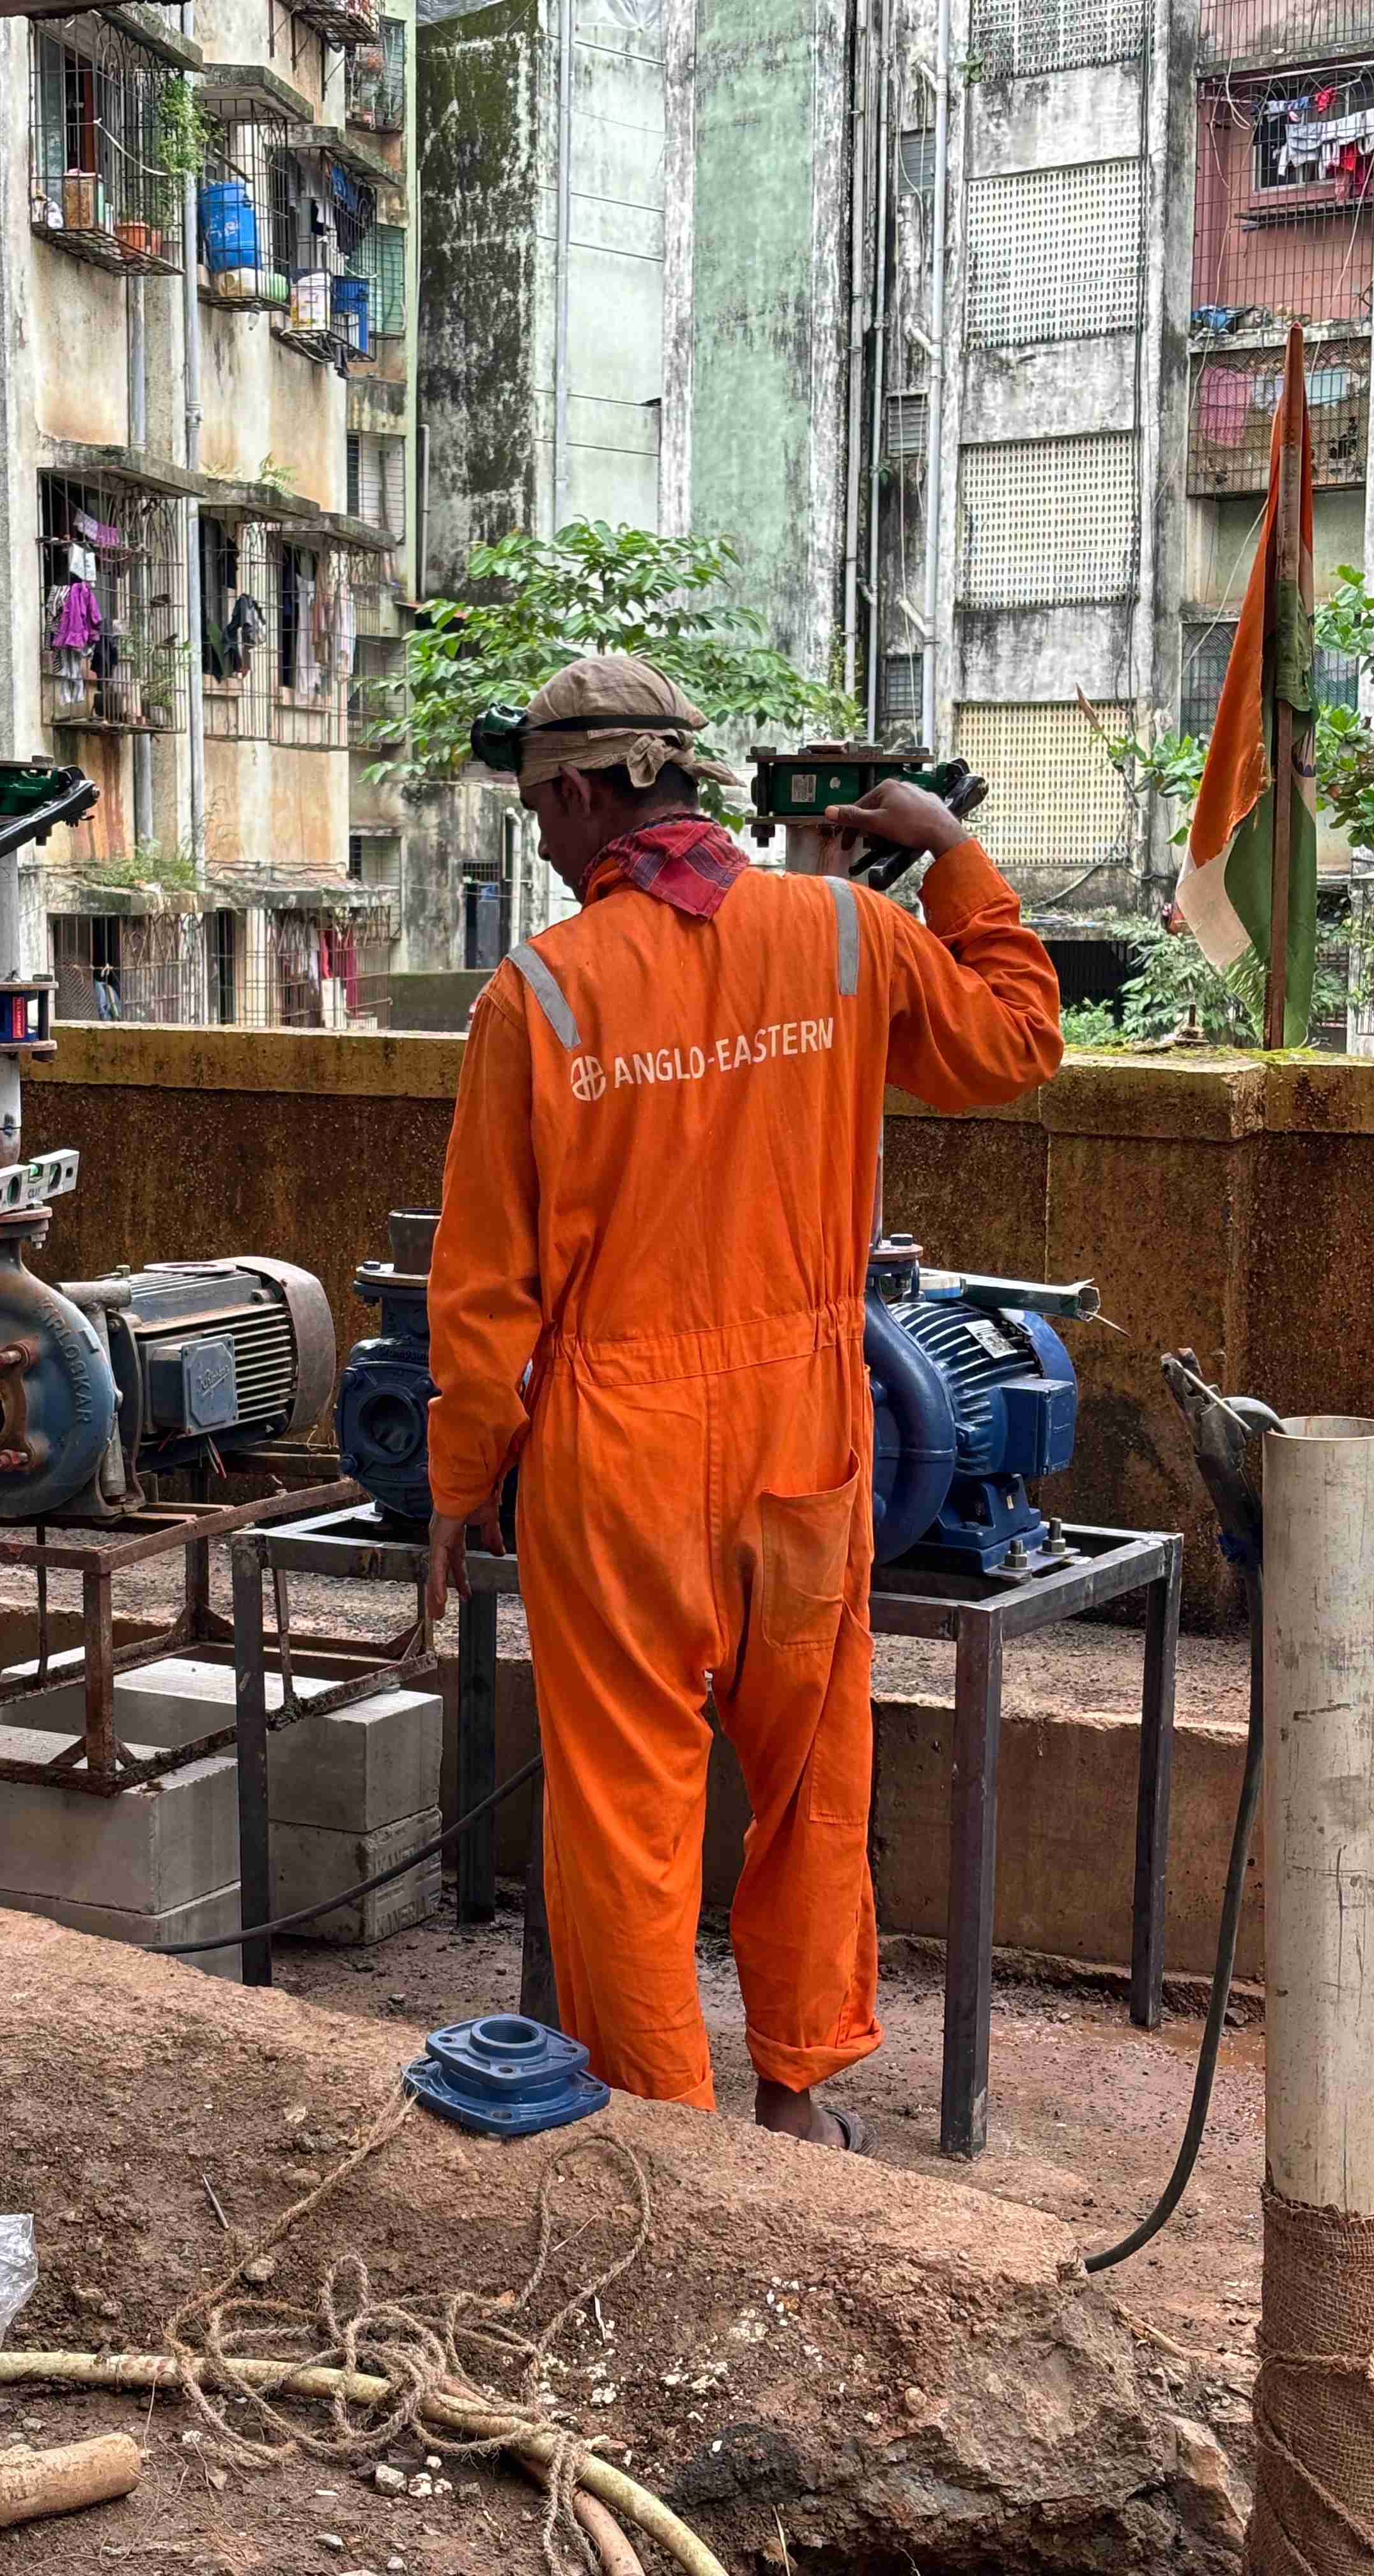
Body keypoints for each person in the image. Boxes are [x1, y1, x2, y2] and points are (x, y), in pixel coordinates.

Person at [423, 656, 1062, 2150]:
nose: (544, 842)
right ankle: (796, 2096)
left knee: (624, 1812)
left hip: (620, 1454)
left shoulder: (542, 992)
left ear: (594, 794)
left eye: (543, 809)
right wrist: (954, 856)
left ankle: (669, 2135)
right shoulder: (844, 932)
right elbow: (1016, 1042)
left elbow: (484, 1291)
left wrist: (460, 1484)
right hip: (806, 1428)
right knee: (812, 1775)